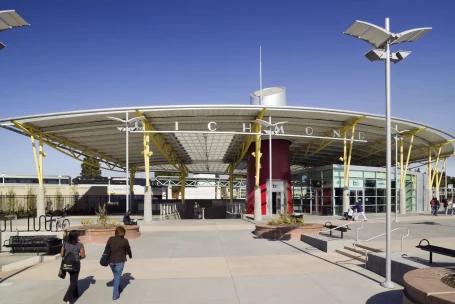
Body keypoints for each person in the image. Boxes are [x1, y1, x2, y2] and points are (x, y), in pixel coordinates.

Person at [107, 226, 133, 300]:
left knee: (116, 275)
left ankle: (117, 286)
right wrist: (130, 255)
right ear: (123, 233)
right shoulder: (125, 241)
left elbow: (107, 249)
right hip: (120, 261)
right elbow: (128, 249)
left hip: (111, 261)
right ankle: (115, 295)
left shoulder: (110, 239)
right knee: (117, 276)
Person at [61, 231, 86, 304]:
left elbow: (62, 254)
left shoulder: (65, 243)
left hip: (66, 264)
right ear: (76, 237)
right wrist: (79, 257)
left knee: (73, 279)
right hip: (75, 264)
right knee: (74, 282)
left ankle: (75, 294)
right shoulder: (80, 245)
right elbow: (83, 255)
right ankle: (68, 299)